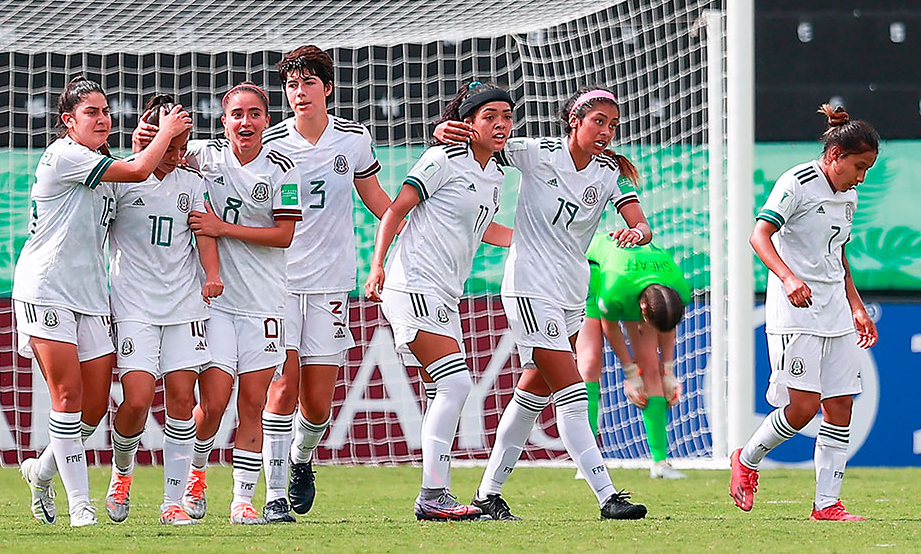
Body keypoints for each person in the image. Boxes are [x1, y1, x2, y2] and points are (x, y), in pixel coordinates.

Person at [434, 85, 649, 521]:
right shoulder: (537, 152)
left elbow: (640, 223)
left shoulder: (609, 172)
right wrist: (444, 128)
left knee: (534, 392)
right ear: (575, 121)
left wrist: (638, 233)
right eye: (598, 121)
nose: (606, 131)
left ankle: (487, 494)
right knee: (572, 394)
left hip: (573, 289)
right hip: (530, 287)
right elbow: (483, 139)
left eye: (612, 124)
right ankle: (608, 497)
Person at [13, 77, 191, 527]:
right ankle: (81, 508)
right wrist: (164, 132)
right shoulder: (64, 155)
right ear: (68, 122)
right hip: (46, 287)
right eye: (90, 112)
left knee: (92, 410)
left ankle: (41, 471)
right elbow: (135, 172)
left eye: (106, 111)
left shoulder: (100, 164)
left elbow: (137, 174)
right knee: (68, 397)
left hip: (91, 295)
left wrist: (151, 148)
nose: (101, 118)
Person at [365, 81, 513, 521]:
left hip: (446, 293)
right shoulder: (442, 158)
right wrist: (377, 266)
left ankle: (436, 494)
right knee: (456, 385)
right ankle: (432, 496)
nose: (501, 124)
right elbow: (396, 210)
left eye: (506, 116)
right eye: (490, 117)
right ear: (467, 124)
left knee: (440, 390)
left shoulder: (498, 175)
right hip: (413, 284)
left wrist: (541, 243)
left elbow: (484, 229)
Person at [260, 45, 392, 522]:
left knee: (317, 404)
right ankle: (273, 496)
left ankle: (300, 459)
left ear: (328, 88)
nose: (299, 93)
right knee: (282, 386)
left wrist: (418, 220)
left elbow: (379, 203)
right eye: (292, 85)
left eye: (308, 84)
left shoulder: (354, 139)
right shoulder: (269, 143)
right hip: (277, 284)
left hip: (332, 283)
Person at [729, 104, 879, 521]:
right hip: (796, 312)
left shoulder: (849, 195)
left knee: (842, 405)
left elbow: (838, 253)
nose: (861, 177)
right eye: (858, 166)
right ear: (835, 156)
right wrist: (788, 278)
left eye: (867, 169)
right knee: (803, 408)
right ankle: (747, 457)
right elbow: (759, 235)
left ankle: (826, 504)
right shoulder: (797, 182)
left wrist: (857, 306)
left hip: (835, 311)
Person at [183, 83, 303, 525]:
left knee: (252, 404)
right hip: (215, 303)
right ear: (224, 120)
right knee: (213, 402)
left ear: (266, 121)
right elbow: (162, 153)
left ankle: (242, 500)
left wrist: (221, 227)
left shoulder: (282, 170)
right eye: (237, 114)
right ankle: (196, 473)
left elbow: (284, 235)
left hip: (265, 303)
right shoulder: (203, 157)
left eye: (255, 114)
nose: (245, 122)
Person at [101, 94, 222, 526]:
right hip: (134, 305)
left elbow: (203, 233)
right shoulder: (120, 178)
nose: (175, 156)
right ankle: (122, 474)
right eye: (168, 147)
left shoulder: (191, 182)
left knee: (181, 402)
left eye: (181, 147)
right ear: (148, 138)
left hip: (184, 303)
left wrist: (212, 273)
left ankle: (171, 504)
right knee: (135, 399)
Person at [575, 234, 691, 480]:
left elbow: (667, 325)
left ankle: (660, 463)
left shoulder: (677, 289)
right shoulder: (614, 291)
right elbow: (610, 325)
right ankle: (587, 461)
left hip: (641, 285)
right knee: (590, 363)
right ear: (644, 309)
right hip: (595, 274)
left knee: (651, 365)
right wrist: (629, 372)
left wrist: (668, 371)